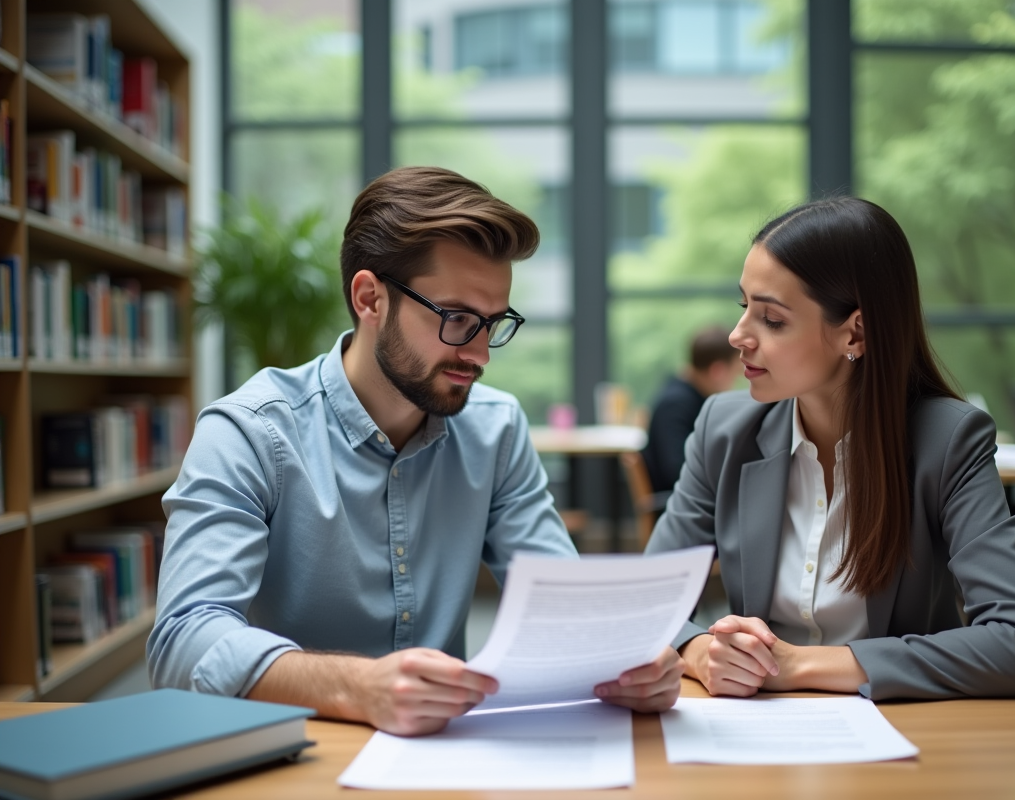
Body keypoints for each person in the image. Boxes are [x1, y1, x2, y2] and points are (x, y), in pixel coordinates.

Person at [148, 167, 684, 736]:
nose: (479, 354)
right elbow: (183, 639)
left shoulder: (495, 428)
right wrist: (360, 687)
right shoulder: (249, 432)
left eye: (493, 324)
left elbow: (560, 600)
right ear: (369, 298)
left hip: (442, 752)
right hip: (296, 746)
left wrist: (634, 656)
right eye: (456, 320)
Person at [645, 197, 1015, 700]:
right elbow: (647, 603)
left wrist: (798, 666)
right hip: (751, 732)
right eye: (743, 308)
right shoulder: (723, 429)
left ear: (855, 331)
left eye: (771, 320)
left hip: (901, 731)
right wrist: (699, 652)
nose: (738, 337)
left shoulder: (948, 441)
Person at [643, 325, 740, 493]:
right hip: (678, 504)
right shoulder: (675, 405)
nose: (734, 383)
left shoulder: (687, 396)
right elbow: (676, 471)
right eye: (735, 373)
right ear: (718, 371)